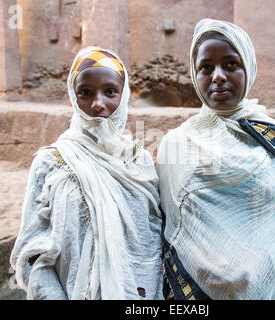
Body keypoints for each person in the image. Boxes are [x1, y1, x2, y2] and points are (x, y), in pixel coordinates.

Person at [157, 18, 275, 300]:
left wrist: (267, 267)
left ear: (249, 68)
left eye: (230, 64)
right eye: (206, 68)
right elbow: (169, 224)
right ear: (195, 76)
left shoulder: (273, 136)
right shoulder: (176, 144)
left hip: (259, 286)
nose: (218, 76)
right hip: (196, 289)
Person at [10, 47, 164, 300]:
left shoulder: (139, 162)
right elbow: (32, 251)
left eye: (110, 91)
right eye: (85, 93)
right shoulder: (52, 162)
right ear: (74, 97)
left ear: (123, 96)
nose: (98, 103)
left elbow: (153, 241)